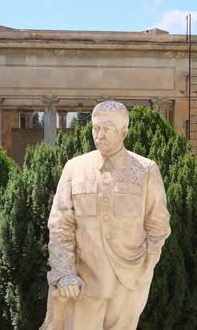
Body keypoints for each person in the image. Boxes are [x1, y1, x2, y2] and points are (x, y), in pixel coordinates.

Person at [41, 101, 171, 330]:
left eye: (107, 128)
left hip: (129, 283)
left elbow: (158, 225)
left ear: (124, 132)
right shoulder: (74, 168)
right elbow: (60, 224)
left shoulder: (146, 170)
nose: (99, 135)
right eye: (95, 128)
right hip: (83, 283)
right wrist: (64, 272)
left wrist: (145, 267)